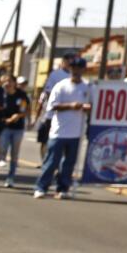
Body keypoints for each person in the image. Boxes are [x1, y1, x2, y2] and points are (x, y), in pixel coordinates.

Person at [34, 53, 94, 199]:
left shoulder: (88, 87)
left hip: (76, 132)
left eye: (79, 68)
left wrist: (87, 108)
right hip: (59, 131)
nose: (76, 70)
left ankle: (63, 188)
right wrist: (71, 106)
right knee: (51, 162)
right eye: (74, 67)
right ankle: (41, 187)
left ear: (83, 70)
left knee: (68, 164)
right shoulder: (61, 86)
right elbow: (52, 106)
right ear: (70, 68)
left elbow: (93, 105)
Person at [0, 73, 31, 188]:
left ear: (14, 83)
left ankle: (10, 177)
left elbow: (26, 109)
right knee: (1, 147)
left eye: (10, 81)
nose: (8, 84)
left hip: (17, 128)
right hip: (4, 126)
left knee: (14, 154)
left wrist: (18, 115)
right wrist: (4, 119)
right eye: (5, 81)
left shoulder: (21, 95)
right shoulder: (1, 94)